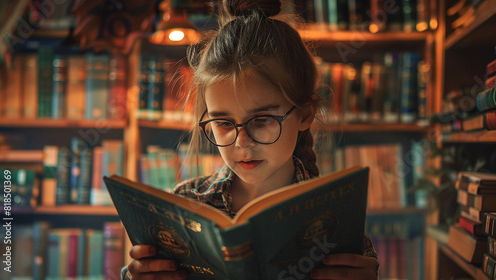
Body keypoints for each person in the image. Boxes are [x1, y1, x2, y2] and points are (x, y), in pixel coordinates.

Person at [123, 0, 379, 279]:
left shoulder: (339, 218)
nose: (242, 142)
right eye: (223, 123)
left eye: (263, 120)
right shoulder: (184, 205)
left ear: (305, 115)